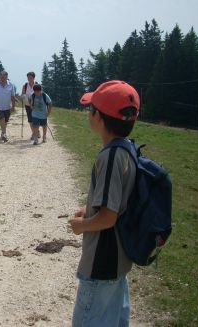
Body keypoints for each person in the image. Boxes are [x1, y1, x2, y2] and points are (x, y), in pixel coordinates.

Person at [68, 80, 140, 327]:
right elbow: (116, 202)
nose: (89, 113)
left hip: (102, 262)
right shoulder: (127, 149)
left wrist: (82, 225)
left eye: (91, 109)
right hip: (119, 260)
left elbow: (109, 217)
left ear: (99, 117)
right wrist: (90, 210)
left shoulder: (109, 156)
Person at [21, 71, 37, 140]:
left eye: (30, 77)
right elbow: (22, 94)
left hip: (36, 105)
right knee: (30, 119)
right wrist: (23, 96)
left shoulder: (37, 85)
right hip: (27, 104)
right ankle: (34, 133)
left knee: (36, 119)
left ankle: (35, 132)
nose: (29, 78)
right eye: (28, 77)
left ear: (33, 77)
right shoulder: (25, 86)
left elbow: (41, 94)